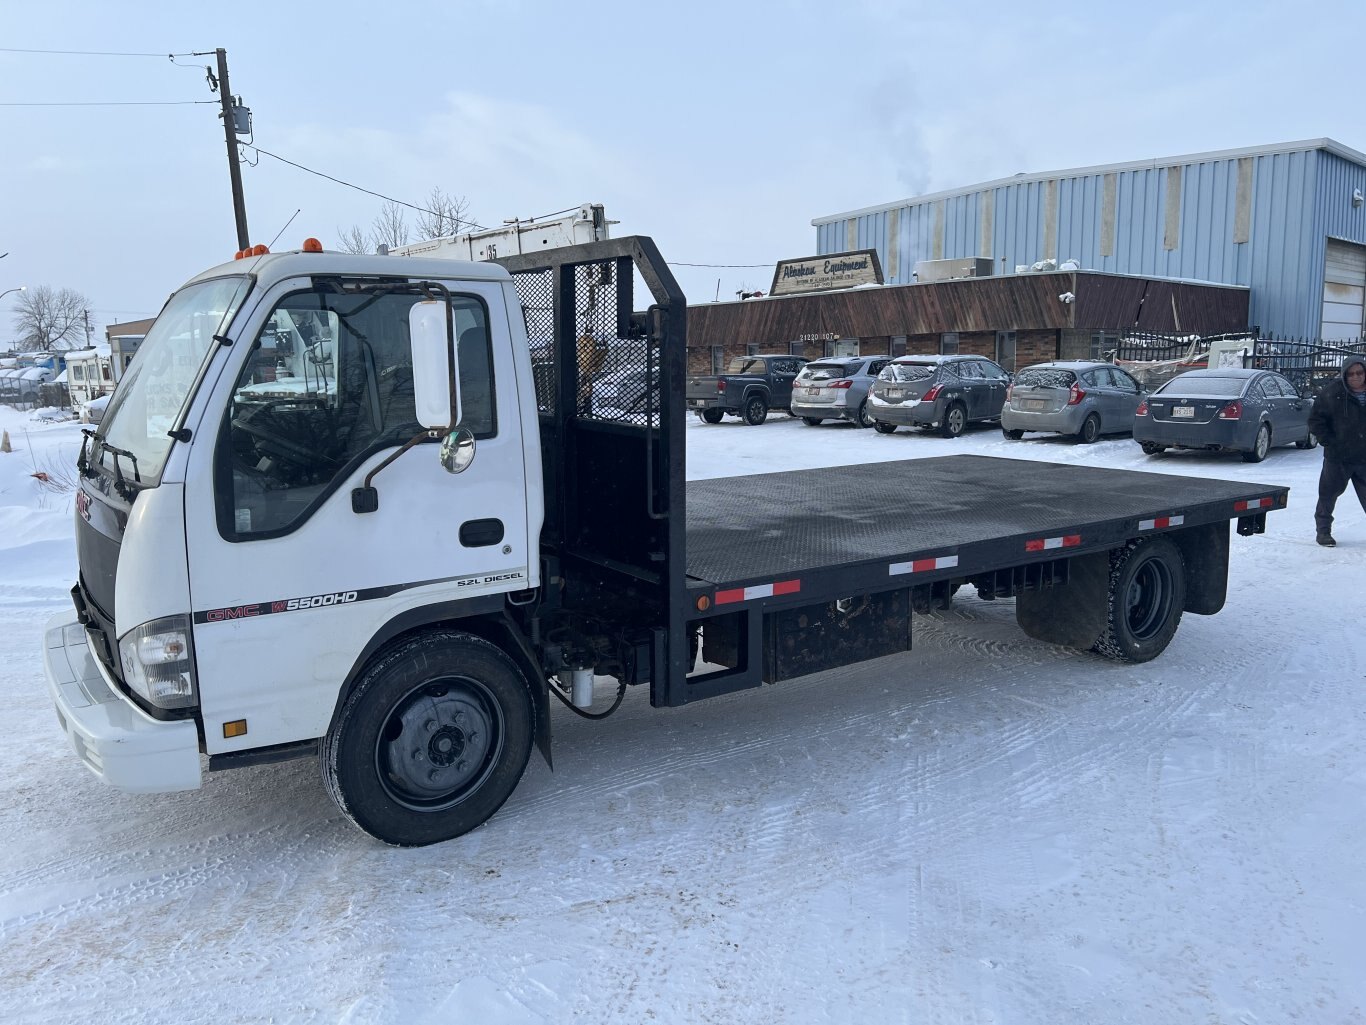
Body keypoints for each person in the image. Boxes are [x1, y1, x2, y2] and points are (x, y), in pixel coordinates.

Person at [1307, 355, 1366, 547]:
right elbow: (1316, 420)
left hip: (1364, 457)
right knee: (1328, 495)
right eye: (1350, 374)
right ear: (1344, 375)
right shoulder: (1332, 393)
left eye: (1360, 372)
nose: (1356, 377)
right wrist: (1329, 441)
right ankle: (1323, 532)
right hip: (1338, 457)